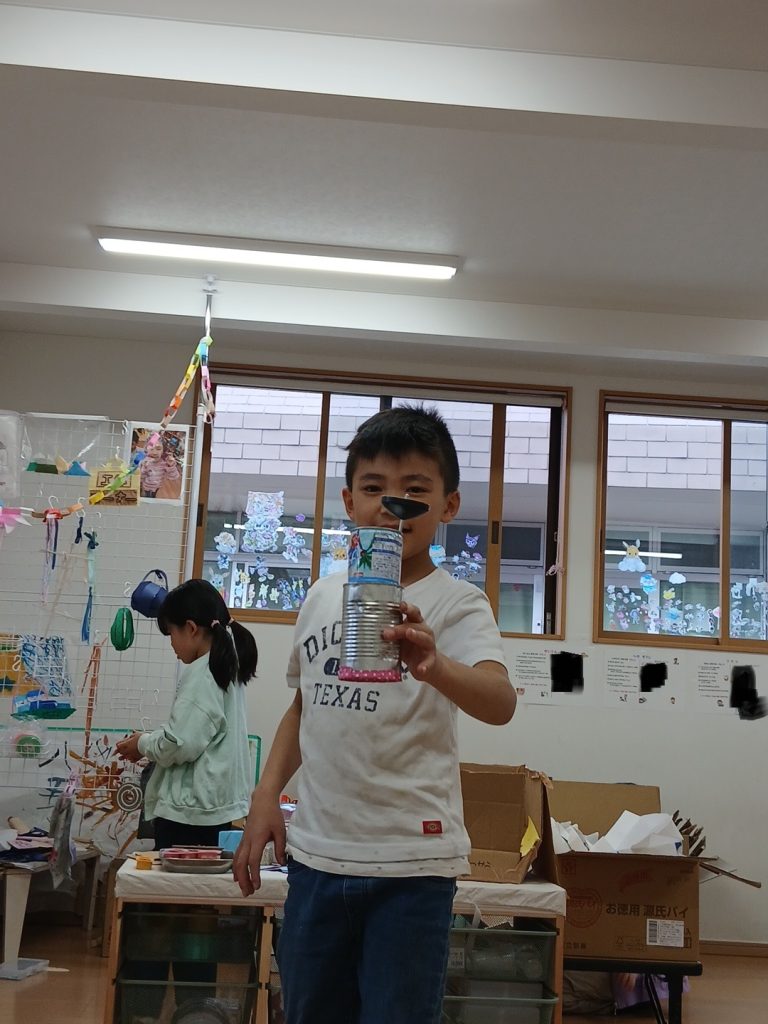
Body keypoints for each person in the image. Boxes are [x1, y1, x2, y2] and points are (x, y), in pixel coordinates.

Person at [233, 405, 516, 1024]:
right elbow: (304, 706)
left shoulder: (458, 603)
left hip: (413, 865)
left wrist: (435, 665)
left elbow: (501, 702)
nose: (393, 506)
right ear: (349, 501)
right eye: (373, 488)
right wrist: (264, 797)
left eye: (414, 490)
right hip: (316, 856)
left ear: (447, 506)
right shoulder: (321, 595)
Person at [116, 578, 257, 1022]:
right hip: (207, 811)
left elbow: (181, 744)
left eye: (172, 634)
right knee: (197, 915)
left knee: (169, 918)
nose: (172, 645)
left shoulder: (201, 674)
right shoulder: (225, 667)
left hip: (187, 813)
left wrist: (142, 743)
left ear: (192, 629)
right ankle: (198, 1010)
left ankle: (149, 1010)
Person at [139, 433, 180, 499]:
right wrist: (144, 467)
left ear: (163, 450)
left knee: (153, 496)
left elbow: (174, 477)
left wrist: (171, 466)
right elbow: (141, 477)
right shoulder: (144, 461)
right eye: (151, 449)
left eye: (158, 449)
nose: (155, 453)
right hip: (146, 486)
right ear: (147, 450)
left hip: (157, 487)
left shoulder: (165, 462)